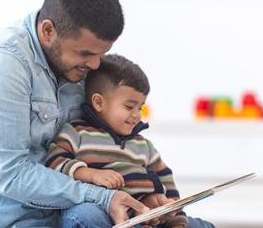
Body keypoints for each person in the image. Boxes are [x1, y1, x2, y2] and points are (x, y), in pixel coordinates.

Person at [0, 0, 151, 227]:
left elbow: (102, 139)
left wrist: (146, 195)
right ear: (48, 31)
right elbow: (10, 174)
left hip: (79, 212)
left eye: (102, 54)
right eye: (86, 54)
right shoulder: (4, 64)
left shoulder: (82, 66)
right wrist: (102, 197)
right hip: (24, 221)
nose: (95, 65)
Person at [46, 54, 200, 228]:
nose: (137, 115)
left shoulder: (143, 145)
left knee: (201, 225)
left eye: (140, 107)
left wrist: (170, 208)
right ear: (98, 103)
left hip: (145, 215)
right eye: (129, 107)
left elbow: (164, 176)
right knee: (83, 216)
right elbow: (54, 161)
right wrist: (92, 174)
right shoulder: (77, 132)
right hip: (104, 212)